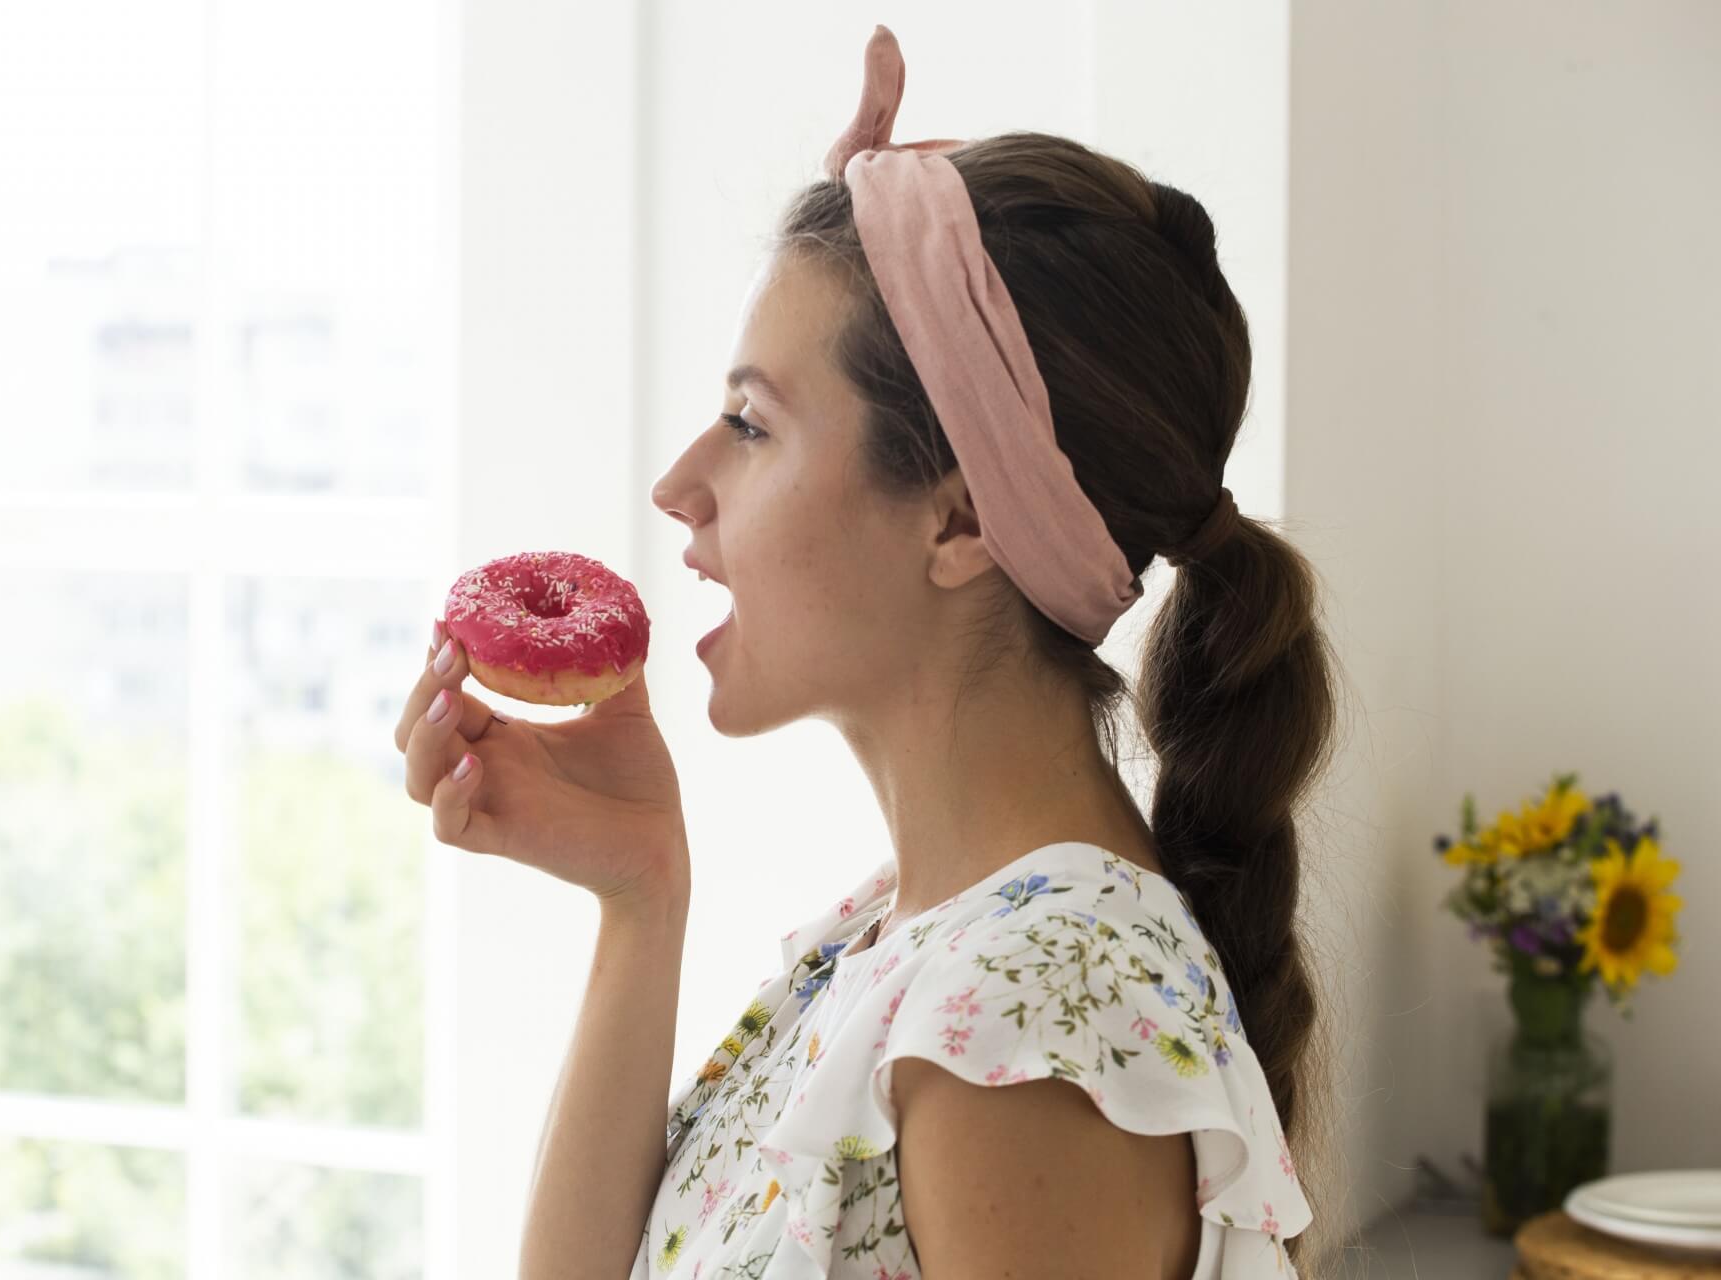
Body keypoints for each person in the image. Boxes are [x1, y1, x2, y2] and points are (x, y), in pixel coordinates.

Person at [395, 23, 1348, 1280]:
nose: (682, 482)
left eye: (751, 423)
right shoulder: (903, 944)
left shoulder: (1027, 1028)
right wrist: (641, 893)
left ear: (957, 517)